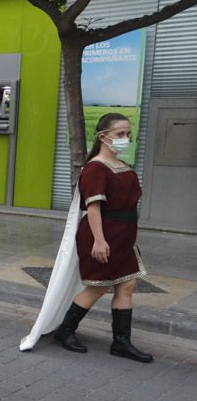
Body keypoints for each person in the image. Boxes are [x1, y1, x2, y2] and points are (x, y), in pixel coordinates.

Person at [51, 113, 152, 363]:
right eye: (120, 134)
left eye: (128, 134)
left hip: (123, 236)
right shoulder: (95, 168)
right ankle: (65, 330)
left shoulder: (123, 166)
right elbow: (93, 208)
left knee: (127, 284)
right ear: (103, 137)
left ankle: (121, 342)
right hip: (102, 234)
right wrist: (99, 240)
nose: (125, 138)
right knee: (99, 286)